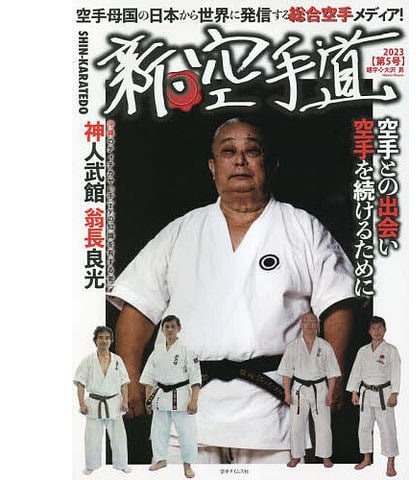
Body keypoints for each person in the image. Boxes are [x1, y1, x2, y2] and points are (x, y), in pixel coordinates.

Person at [107, 117, 356, 463]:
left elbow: (338, 304)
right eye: (228, 152)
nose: (240, 161)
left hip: (275, 409)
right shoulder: (182, 231)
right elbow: (138, 306)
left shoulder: (302, 228)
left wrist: (334, 375)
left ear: (271, 164)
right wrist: (131, 377)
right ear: (213, 167)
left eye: (252, 151)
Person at [140, 315, 201, 478]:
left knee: (186, 433)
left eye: (173, 326)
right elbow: (148, 378)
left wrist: (194, 400)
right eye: (166, 326)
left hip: (181, 396)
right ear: (162, 329)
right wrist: (148, 400)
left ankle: (187, 465)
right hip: (160, 396)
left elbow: (195, 378)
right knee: (158, 432)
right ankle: (160, 460)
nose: (169, 330)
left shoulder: (187, 351)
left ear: (179, 329)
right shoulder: (157, 351)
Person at [277, 312, 341, 468]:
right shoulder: (293, 346)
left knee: (323, 424)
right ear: (301, 325)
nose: (310, 325)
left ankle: (326, 457)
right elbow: (286, 372)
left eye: (313, 322)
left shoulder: (325, 346)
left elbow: (332, 373)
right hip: (299, 390)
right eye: (306, 322)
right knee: (297, 425)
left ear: (317, 325)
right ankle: (296, 456)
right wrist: (287, 392)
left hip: (320, 388)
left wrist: (330, 393)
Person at [346, 316, 401, 477]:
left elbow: (396, 373)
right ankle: (366, 458)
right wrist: (354, 391)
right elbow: (356, 371)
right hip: (366, 394)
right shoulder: (363, 351)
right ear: (369, 331)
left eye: (379, 328)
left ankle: (390, 462)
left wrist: (395, 393)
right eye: (373, 328)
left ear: (385, 329)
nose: (376, 331)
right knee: (364, 428)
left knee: (387, 429)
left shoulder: (391, 350)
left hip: (384, 394)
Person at [73, 326, 131, 475]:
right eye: (100, 338)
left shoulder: (117, 360)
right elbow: (80, 383)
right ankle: (91, 465)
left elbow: (124, 383)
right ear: (95, 340)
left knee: (119, 437)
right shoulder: (88, 361)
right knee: (92, 438)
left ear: (111, 341)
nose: (104, 341)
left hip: (114, 403)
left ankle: (122, 464)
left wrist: (125, 401)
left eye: (107, 338)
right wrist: (81, 403)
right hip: (94, 404)